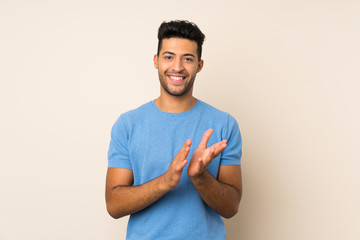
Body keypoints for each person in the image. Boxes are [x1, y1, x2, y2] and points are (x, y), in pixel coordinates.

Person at [106, 20, 242, 240]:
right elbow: (113, 205)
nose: (177, 67)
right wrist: (165, 181)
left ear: (199, 65)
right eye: (169, 57)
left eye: (187, 59)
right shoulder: (128, 125)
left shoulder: (224, 124)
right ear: (156, 60)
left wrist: (199, 177)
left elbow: (231, 207)